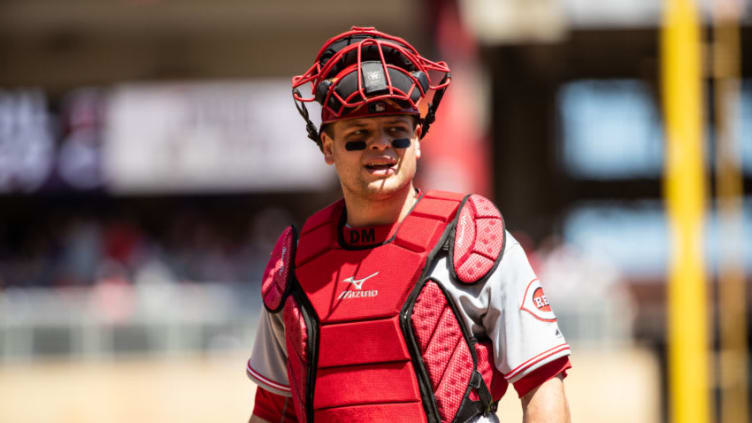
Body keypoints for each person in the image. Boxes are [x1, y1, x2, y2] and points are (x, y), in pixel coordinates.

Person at [246, 26, 572, 423]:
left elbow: (542, 382)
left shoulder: (472, 238)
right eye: (359, 135)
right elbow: (271, 408)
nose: (380, 145)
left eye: (396, 133)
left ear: (418, 139)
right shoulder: (294, 262)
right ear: (328, 147)